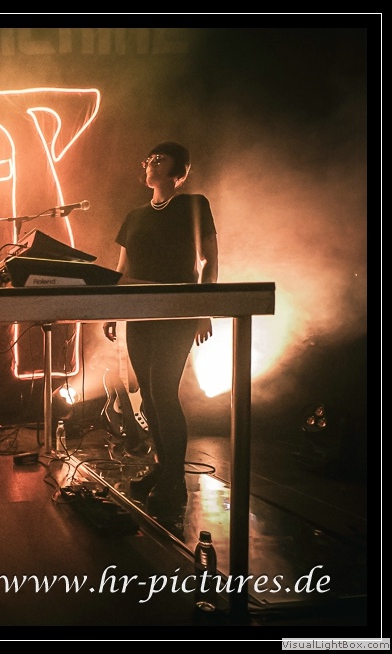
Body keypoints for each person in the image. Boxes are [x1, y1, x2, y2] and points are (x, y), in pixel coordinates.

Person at [102, 141, 219, 524]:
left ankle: (174, 480)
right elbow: (122, 269)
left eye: (159, 158)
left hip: (176, 313)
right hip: (139, 314)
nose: (150, 162)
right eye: (148, 158)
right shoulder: (134, 215)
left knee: (163, 392)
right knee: (149, 399)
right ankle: (162, 468)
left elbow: (209, 260)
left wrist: (203, 308)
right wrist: (110, 308)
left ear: (178, 171)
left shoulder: (193, 205)